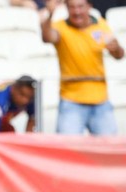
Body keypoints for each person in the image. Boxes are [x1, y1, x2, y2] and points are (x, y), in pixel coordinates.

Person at [41, 0, 124, 135]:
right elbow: (47, 37)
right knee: (67, 150)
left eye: (80, 6)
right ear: (66, 8)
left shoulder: (100, 25)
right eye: (72, 7)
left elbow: (119, 55)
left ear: (89, 7)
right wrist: (49, 15)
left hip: (100, 100)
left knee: (109, 150)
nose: (76, 11)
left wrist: (117, 48)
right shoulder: (60, 27)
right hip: (71, 100)